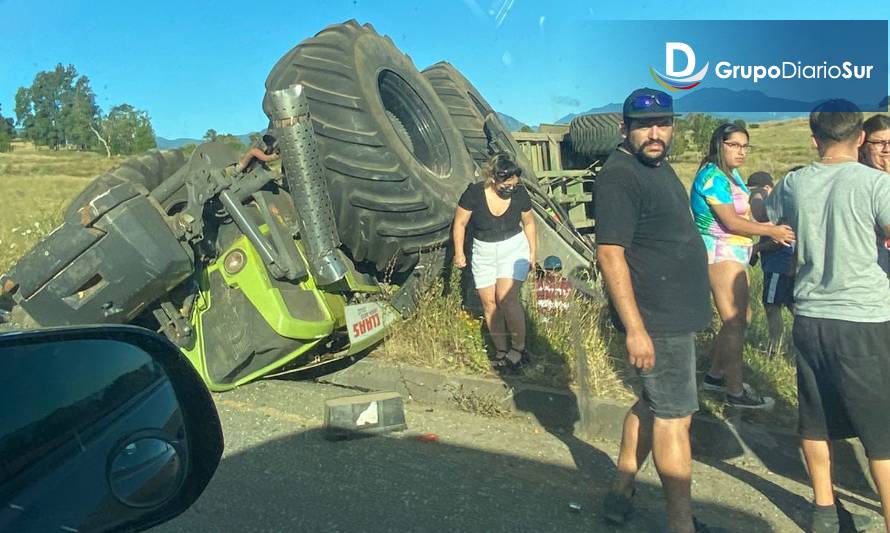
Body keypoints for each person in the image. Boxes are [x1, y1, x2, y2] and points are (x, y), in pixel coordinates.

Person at [595, 88, 713, 533]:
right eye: (644, 125)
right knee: (673, 418)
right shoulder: (619, 177)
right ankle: (681, 524)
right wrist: (636, 329)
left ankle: (621, 489)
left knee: (652, 403)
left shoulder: (658, 167)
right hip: (656, 321)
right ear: (625, 128)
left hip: (674, 316)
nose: (655, 132)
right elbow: (610, 255)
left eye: (663, 123)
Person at [767, 99, 885, 533]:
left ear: (814, 140)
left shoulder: (794, 183)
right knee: (881, 431)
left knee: (814, 417)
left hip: (811, 316)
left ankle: (824, 512)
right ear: (859, 138)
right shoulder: (875, 185)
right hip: (865, 317)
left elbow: (771, 219)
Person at [690, 123, 794, 409]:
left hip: (736, 253)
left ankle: (714, 376)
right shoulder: (711, 177)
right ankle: (736, 393)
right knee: (735, 322)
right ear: (718, 145)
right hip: (719, 253)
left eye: (745, 146)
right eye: (734, 145)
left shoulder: (731, 175)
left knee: (741, 319)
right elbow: (731, 222)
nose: (741, 151)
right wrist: (771, 231)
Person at [452, 153, 536, 369]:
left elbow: (529, 223)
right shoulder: (474, 193)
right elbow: (460, 223)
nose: (511, 188)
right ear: (492, 179)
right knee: (489, 304)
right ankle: (501, 350)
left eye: (514, 184)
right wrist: (459, 252)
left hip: (513, 247)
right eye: (506, 184)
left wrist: (532, 254)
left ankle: (519, 348)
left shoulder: (519, 194)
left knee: (506, 299)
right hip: (483, 250)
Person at [747, 171, 796, 358]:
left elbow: (781, 238)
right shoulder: (779, 204)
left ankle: (775, 348)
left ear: (768, 188)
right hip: (784, 263)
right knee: (791, 305)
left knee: (771, 305)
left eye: (756, 191)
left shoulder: (777, 206)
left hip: (778, 265)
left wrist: (757, 248)